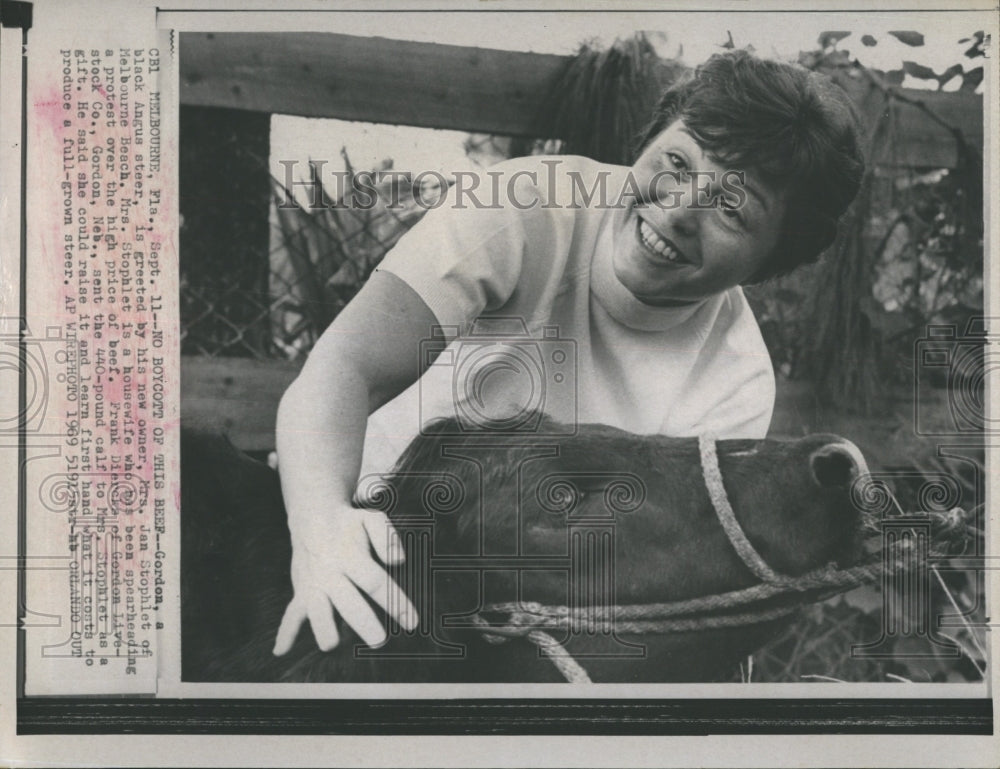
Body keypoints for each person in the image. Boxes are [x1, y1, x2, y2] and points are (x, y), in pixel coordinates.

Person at [272, 49, 867, 655]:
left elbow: (664, 585)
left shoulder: (733, 381)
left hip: (523, 615)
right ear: (649, 140)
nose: (681, 209)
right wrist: (321, 525)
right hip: (363, 521)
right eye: (677, 162)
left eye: (733, 209)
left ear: (772, 262)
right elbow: (346, 367)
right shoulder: (527, 201)